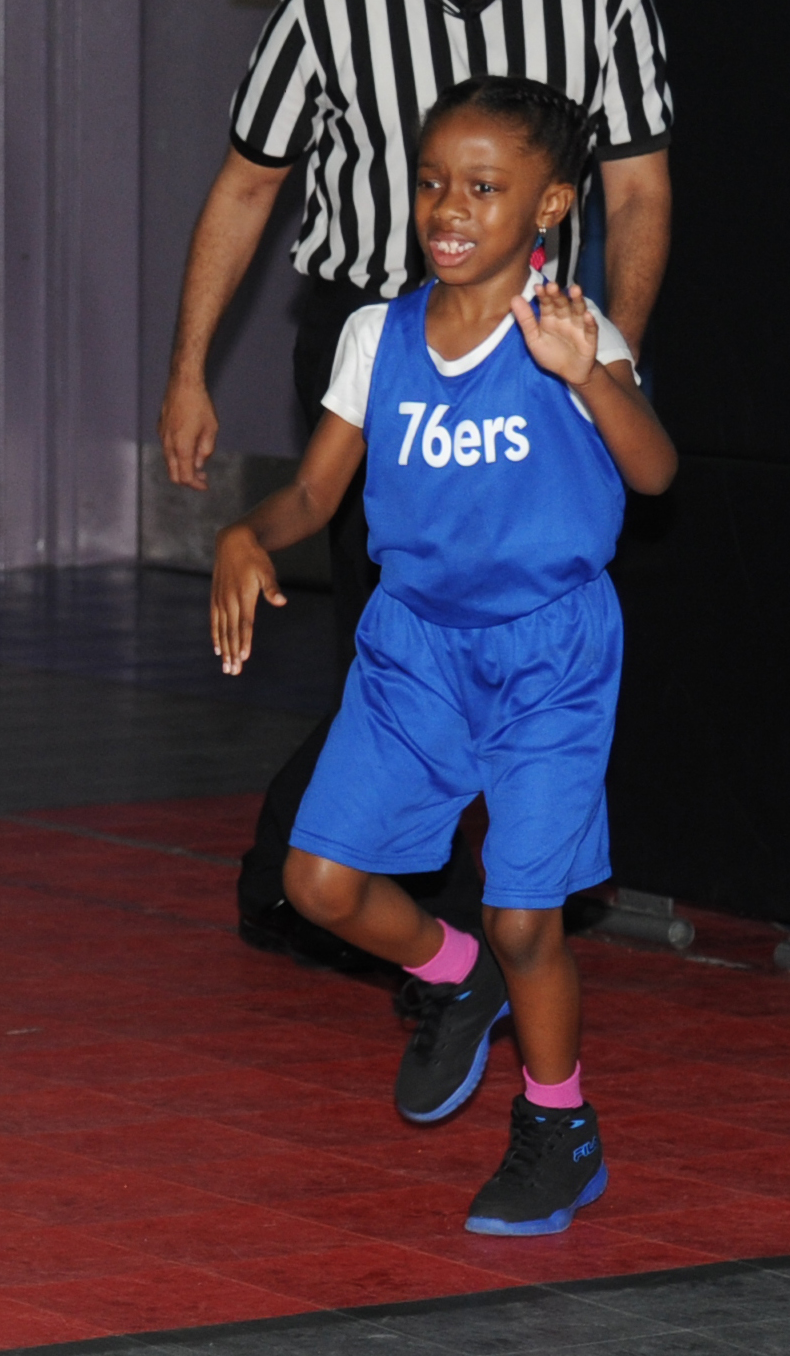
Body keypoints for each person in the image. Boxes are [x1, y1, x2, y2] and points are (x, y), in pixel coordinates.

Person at [154, 0, 673, 964]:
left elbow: (640, 193)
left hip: (541, 349)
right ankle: (361, 903)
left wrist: (607, 369)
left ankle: (471, 895)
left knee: (533, 620)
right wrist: (187, 368)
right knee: (392, 633)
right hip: (371, 342)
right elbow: (244, 187)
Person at [210, 77, 673, 1234]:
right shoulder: (378, 334)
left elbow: (656, 472)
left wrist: (588, 377)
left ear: (549, 205)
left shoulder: (569, 329)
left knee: (530, 919)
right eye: (430, 184)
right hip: (412, 651)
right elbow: (318, 491)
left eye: (481, 187)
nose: (447, 208)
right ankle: (449, 973)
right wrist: (243, 531)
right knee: (314, 884)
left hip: (547, 656)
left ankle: (558, 1126)